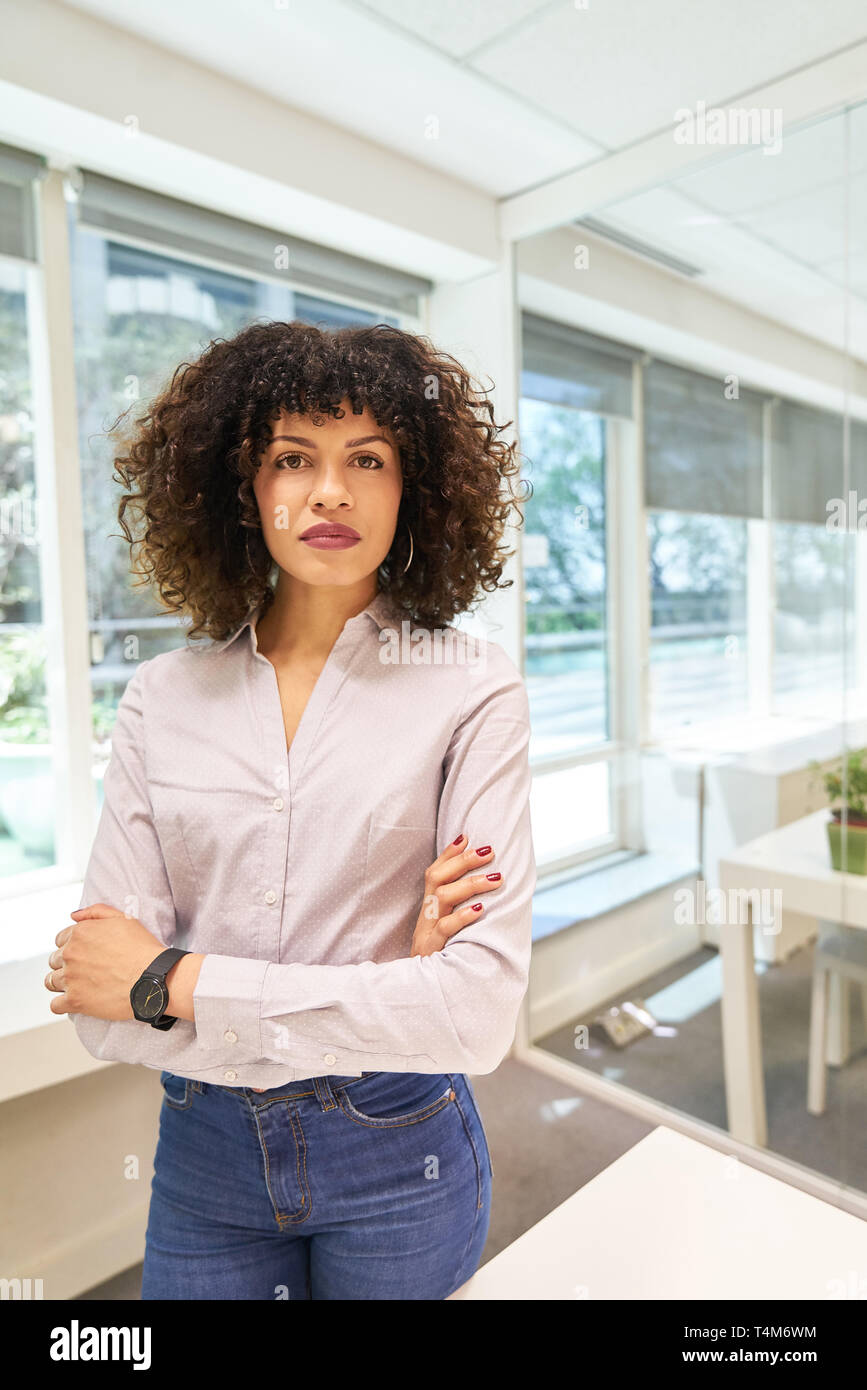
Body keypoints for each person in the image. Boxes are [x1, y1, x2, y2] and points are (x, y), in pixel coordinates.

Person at [44, 319, 536, 1300]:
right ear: (239, 485)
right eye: (290, 457)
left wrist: (173, 981)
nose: (330, 490)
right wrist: (391, 979)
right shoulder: (163, 699)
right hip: (204, 1153)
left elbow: (476, 1015)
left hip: (401, 1144)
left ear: (416, 485)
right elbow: (101, 1009)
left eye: (369, 457)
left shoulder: (472, 690)